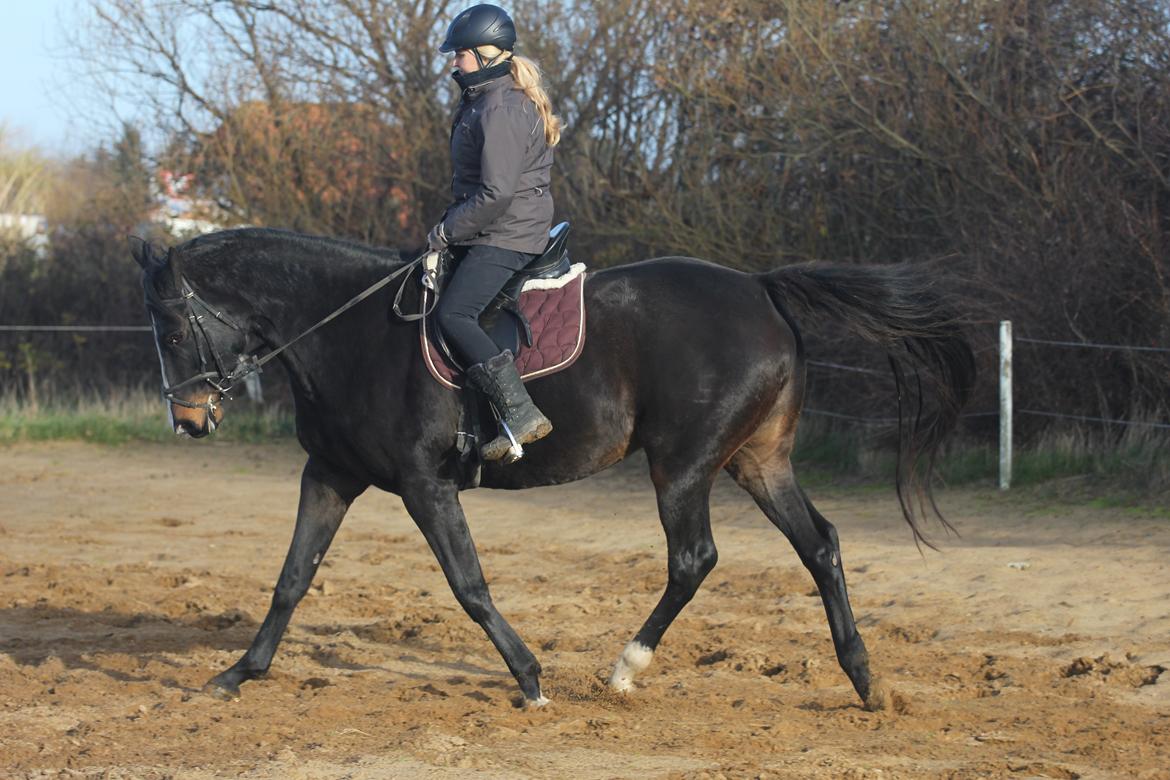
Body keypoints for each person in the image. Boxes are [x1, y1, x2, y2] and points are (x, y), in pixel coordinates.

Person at [428, 3, 563, 462]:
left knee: (454, 315)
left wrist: (447, 230)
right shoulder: (485, 100)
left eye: (459, 55)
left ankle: (519, 412)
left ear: (486, 55)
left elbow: (497, 193)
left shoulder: (500, 108)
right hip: (495, 229)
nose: (453, 62)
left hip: (506, 233)